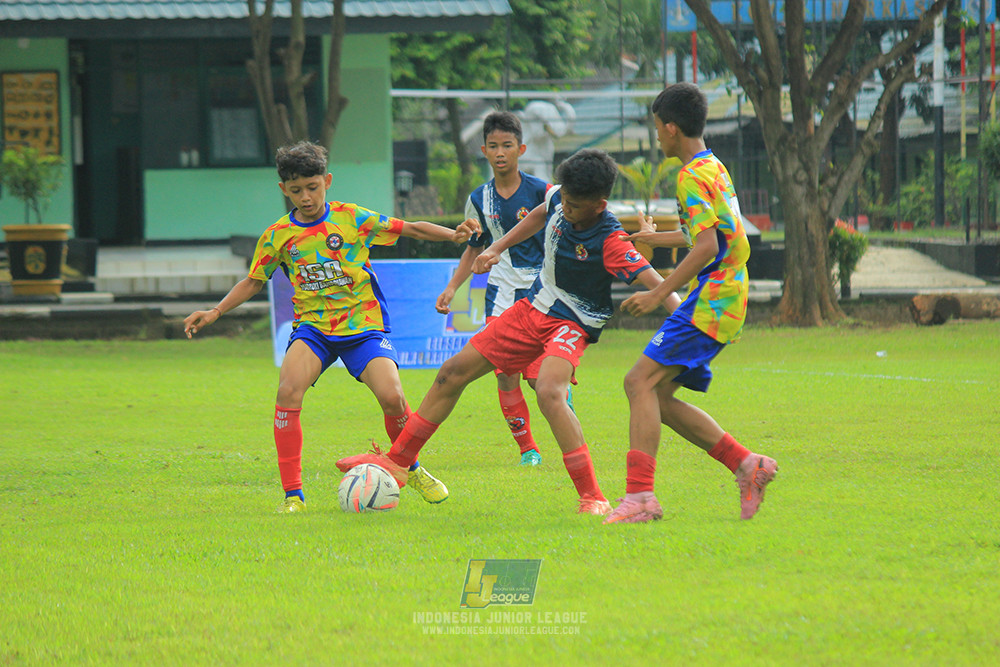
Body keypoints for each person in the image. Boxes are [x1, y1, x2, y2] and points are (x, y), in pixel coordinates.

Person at [337, 149, 676, 515]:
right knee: (452, 372)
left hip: (572, 322)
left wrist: (681, 316)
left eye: (575, 205)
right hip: (532, 309)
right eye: (564, 199)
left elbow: (659, 285)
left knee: (548, 391)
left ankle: (592, 496)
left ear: (599, 205)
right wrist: (497, 247)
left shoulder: (610, 240)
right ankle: (398, 461)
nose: (566, 208)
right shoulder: (560, 198)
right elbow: (540, 213)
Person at [182, 140, 479, 513]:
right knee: (288, 391)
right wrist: (216, 311)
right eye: (295, 191)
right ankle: (293, 496)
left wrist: (452, 235)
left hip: (364, 326)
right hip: (314, 330)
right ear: (283, 190)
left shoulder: (351, 217)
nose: (305, 197)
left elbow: (410, 229)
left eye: (312, 187)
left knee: (393, 397)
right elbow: (254, 281)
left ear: (327, 181)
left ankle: (410, 468)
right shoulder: (278, 236)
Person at [604, 82, 778, 525]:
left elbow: (704, 247)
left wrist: (657, 292)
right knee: (656, 394)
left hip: (714, 298)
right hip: (723, 294)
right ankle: (746, 464)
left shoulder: (689, 176)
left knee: (637, 382)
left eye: (657, 129)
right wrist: (653, 238)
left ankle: (640, 498)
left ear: (671, 127)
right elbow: (706, 234)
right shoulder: (712, 166)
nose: (656, 137)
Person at [436, 110, 553, 466]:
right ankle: (528, 450)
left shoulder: (542, 192)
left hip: (540, 290)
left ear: (521, 148)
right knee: (505, 373)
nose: (500, 152)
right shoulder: (479, 198)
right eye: (493, 146)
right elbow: (475, 245)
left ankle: (566, 425)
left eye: (507, 145)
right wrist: (453, 286)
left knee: (541, 378)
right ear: (484, 151)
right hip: (500, 289)